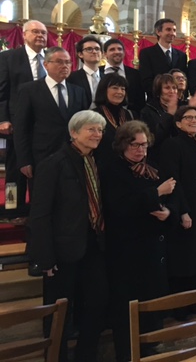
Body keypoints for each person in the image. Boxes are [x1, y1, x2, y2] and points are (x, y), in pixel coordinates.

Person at [28, 110, 108, 362]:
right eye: (91, 129)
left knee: (96, 304)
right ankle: (56, 357)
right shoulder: (54, 163)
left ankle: (86, 355)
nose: (97, 135)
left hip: (93, 244)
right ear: (74, 133)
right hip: (63, 250)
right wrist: (45, 258)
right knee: (59, 312)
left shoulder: (97, 160)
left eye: (100, 130)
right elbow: (40, 215)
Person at [100, 120, 176, 362]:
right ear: (123, 144)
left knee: (149, 300)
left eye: (144, 145)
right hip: (125, 248)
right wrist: (156, 193)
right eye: (135, 145)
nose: (141, 150)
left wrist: (169, 212)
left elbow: (174, 195)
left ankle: (147, 346)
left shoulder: (150, 166)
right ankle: (127, 352)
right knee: (127, 306)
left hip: (151, 245)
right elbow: (120, 206)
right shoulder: (112, 168)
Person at [160, 106, 196, 318]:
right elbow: (174, 180)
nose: (193, 120)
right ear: (178, 123)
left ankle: (192, 301)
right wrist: (182, 212)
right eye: (188, 117)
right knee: (182, 260)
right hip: (185, 208)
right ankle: (178, 306)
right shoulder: (172, 144)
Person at [13, 47, 88, 182]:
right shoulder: (29, 90)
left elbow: (83, 125)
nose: (65, 66)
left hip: (73, 155)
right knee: (43, 199)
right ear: (46, 64)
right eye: (59, 62)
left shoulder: (78, 91)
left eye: (68, 62)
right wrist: (24, 160)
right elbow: (21, 127)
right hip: (41, 156)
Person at [0, 19, 48, 215]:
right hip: (17, 122)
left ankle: (41, 209)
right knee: (15, 166)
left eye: (43, 33)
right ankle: (14, 208)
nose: (40, 36)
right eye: (35, 32)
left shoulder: (52, 58)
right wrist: (2, 119)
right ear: (24, 34)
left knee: (44, 168)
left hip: (44, 124)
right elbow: (2, 91)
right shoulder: (9, 57)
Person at [139, 18, 188, 97]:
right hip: (156, 99)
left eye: (174, 30)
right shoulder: (147, 53)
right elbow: (146, 80)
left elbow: (184, 80)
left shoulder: (182, 56)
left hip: (177, 101)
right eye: (168, 29)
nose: (172, 33)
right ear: (158, 32)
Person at [93, 73, 134, 162]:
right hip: (103, 166)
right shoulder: (94, 115)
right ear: (104, 90)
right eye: (115, 88)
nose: (120, 92)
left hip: (127, 166)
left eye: (123, 89)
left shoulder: (129, 114)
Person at [100, 38, 145, 115]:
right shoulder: (98, 72)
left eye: (120, 49)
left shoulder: (135, 74)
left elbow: (140, 100)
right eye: (112, 49)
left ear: (124, 52)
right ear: (105, 54)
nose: (117, 52)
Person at [67, 35, 102, 108]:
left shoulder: (106, 77)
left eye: (97, 49)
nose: (94, 52)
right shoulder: (71, 78)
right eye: (89, 49)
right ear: (80, 54)